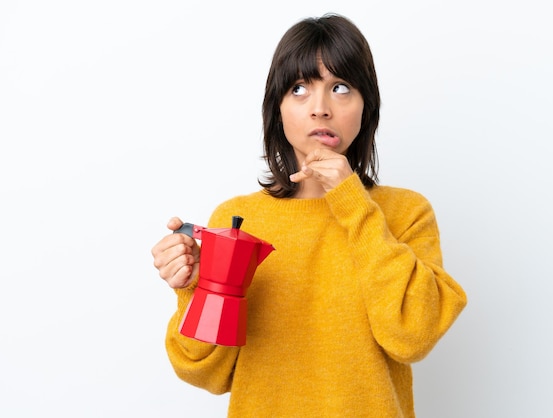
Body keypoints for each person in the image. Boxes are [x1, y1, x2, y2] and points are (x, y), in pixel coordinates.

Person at [151, 13, 467, 417]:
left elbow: (412, 336)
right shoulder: (237, 219)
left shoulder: (406, 213)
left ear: (365, 106)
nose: (320, 109)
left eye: (340, 87)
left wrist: (353, 204)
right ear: (277, 109)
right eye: (299, 89)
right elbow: (205, 374)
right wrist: (195, 289)